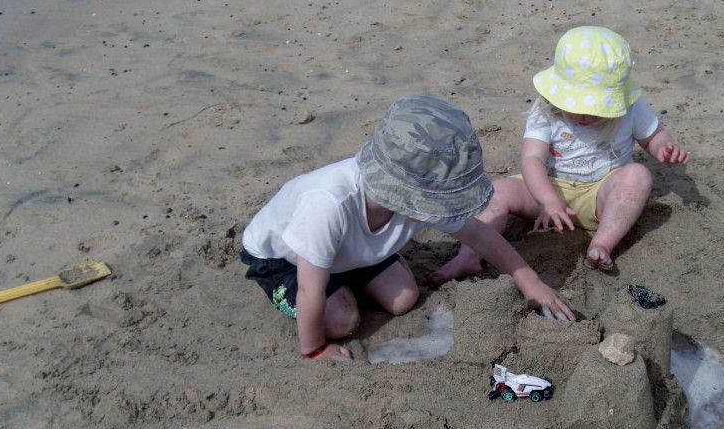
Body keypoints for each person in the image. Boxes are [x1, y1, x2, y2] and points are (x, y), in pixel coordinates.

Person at [240, 95, 574, 361]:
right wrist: (313, 349)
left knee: (404, 299)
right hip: (287, 260)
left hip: (351, 252)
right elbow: (311, 289)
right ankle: (337, 290)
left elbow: (478, 233)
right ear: (411, 193)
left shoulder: (420, 195)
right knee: (341, 322)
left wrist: (529, 280)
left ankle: (348, 276)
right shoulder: (327, 204)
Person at [434, 26, 689, 281]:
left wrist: (663, 148)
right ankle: (467, 257)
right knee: (498, 191)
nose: (584, 115)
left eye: (595, 107)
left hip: (600, 193)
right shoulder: (546, 107)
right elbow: (532, 158)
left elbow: (653, 136)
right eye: (576, 105)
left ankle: (602, 243)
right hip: (549, 187)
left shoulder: (631, 106)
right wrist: (547, 200)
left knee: (638, 176)